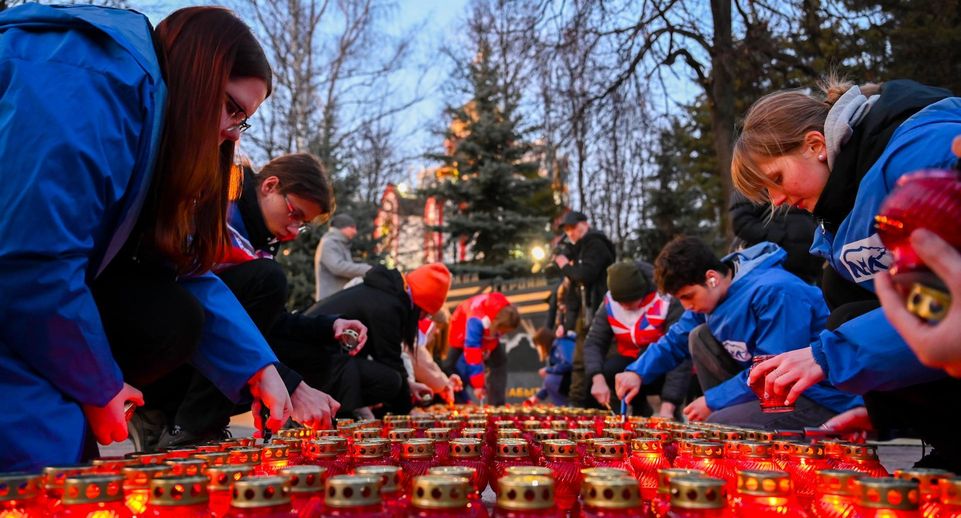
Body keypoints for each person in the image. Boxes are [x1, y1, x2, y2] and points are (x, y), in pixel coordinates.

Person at [0, 5, 290, 470]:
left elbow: (180, 265)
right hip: (21, 283)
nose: (228, 134)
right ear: (197, 72)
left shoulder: (148, 118)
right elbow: (30, 261)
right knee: (40, 470)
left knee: (169, 318)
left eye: (242, 121)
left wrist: (261, 370)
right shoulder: (90, 86)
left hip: (27, 288)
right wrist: (99, 388)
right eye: (230, 107)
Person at [732, 78, 961, 468]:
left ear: (815, 145)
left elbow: (947, 295)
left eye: (776, 180)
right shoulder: (840, 217)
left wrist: (829, 354)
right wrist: (881, 411)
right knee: (842, 291)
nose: (778, 201)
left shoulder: (920, 153)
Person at [150, 154, 363, 449]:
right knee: (268, 278)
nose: (293, 231)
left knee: (316, 352)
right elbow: (205, 300)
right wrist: (288, 382)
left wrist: (329, 327)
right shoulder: (218, 207)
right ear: (270, 186)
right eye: (295, 214)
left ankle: (187, 419)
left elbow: (268, 318)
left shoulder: (259, 240)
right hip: (159, 345)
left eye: (302, 224)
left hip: (196, 347)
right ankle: (187, 428)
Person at [614, 237, 863, 428]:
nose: (687, 306)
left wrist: (713, 401)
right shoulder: (711, 297)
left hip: (815, 395)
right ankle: (730, 414)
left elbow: (775, 370)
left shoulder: (776, 291)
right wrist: (637, 372)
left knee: (719, 427)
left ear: (711, 278)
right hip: (767, 389)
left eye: (688, 297)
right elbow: (675, 339)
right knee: (697, 335)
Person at [302, 263, 452, 416]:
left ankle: (350, 411)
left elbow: (385, 354)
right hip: (313, 360)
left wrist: (409, 385)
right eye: (425, 314)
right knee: (390, 381)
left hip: (322, 358)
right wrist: (408, 412)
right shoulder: (389, 305)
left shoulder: (386, 295)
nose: (423, 319)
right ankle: (345, 415)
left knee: (392, 379)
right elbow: (389, 359)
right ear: (421, 306)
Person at [584, 261, 690, 417]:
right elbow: (594, 341)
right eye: (621, 303)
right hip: (629, 364)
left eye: (630, 301)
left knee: (665, 358)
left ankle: (673, 412)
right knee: (608, 369)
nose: (625, 307)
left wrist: (668, 405)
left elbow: (679, 350)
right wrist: (596, 378)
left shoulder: (666, 300)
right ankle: (615, 417)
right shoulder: (610, 303)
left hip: (662, 367)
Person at [553, 210, 616, 406]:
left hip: (599, 311)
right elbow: (573, 289)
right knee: (579, 361)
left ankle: (599, 405)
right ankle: (578, 404)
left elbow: (584, 275)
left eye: (573, 228)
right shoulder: (579, 247)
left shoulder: (596, 244)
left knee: (594, 360)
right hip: (585, 313)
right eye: (567, 229)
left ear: (584, 224)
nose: (570, 233)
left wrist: (564, 265)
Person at [730, 192, 823, 284]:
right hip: (776, 266)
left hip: (811, 267)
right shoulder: (750, 186)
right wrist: (781, 236)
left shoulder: (794, 182)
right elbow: (742, 223)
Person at [444, 292, 521, 405]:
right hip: (460, 333)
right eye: (504, 331)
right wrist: (478, 385)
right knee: (449, 365)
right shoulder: (475, 320)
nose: (504, 334)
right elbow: (472, 352)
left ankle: (496, 405)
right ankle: (456, 401)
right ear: (497, 324)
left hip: (487, 333)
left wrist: (487, 350)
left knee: (500, 361)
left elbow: (493, 339)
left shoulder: (502, 311)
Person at [314, 213, 371, 301]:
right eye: (352, 227)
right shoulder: (328, 243)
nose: (355, 232)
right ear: (342, 227)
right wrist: (367, 269)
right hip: (329, 301)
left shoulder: (340, 244)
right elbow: (338, 267)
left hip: (337, 299)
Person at [527, 327, 575, 406]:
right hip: (570, 380)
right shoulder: (555, 348)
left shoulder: (561, 344)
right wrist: (538, 396)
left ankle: (564, 407)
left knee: (551, 379)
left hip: (576, 380)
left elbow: (569, 363)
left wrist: (549, 370)